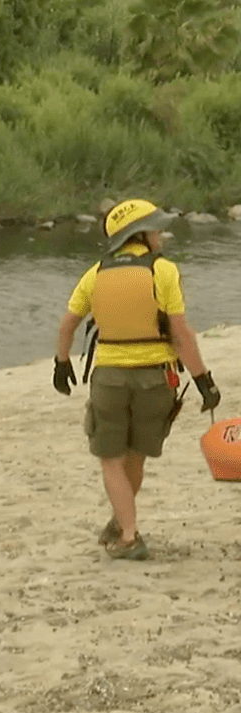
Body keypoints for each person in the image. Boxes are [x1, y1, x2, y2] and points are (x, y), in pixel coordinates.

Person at [53, 199, 221, 560]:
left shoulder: (95, 273)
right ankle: (123, 524)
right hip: (158, 379)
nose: (160, 234)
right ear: (140, 234)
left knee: (111, 459)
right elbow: (181, 335)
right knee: (135, 458)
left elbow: (68, 325)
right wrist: (204, 381)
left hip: (109, 378)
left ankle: (128, 534)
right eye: (156, 228)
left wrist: (61, 362)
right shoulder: (164, 271)